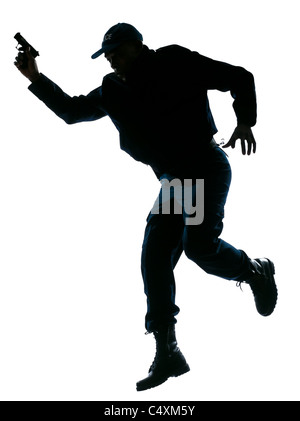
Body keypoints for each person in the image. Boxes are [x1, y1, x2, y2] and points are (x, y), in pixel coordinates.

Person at [15, 23, 278, 391]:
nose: (112, 60)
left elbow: (237, 76)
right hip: (176, 183)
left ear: (138, 46)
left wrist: (245, 120)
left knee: (198, 246)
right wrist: (36, 78)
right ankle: (167, 350)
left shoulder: (174, 61)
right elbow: (74, 111)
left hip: (204, 166)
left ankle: (254, 271)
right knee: (154, 254)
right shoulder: (113, 90)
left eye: (118, 52)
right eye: (107, 56)